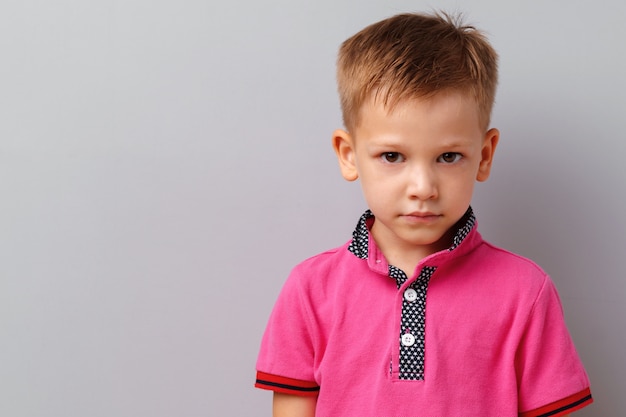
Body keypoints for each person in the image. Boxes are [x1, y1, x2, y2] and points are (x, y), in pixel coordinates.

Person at [254, 12, 592, 417]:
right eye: (392, 156)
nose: (423, 187)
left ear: (483, 156)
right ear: (349, 155)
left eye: (448, 156)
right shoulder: (311, 289)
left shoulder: (526, 292)